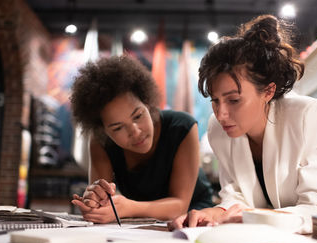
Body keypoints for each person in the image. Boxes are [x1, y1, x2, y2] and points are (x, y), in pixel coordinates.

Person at [169, 15, 317, 233]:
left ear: (268, 91)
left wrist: (252, 216)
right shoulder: (218, 130)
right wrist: (215, 212)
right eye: (215, 100)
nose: (221, 114)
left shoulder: (308, 116)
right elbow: (237, 194)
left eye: (234, 100)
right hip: (297, 236)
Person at [70, 55, 213, 223]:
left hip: (194, 220)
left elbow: (179, 206)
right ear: (103, 130)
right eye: (117, 127)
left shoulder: (182, 127)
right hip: (140, 225)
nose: (135, 131)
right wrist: (95, 200)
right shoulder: (100, 142)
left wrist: (128, 208)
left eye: (138, 116)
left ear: (148, 102)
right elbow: (103, 201)